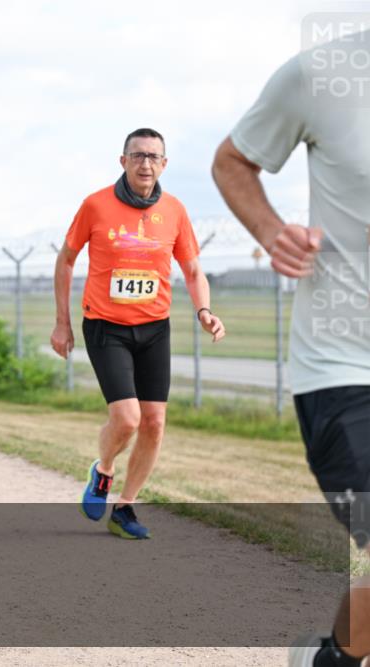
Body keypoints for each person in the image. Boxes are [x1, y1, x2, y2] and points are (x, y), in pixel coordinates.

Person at [211, 33, 369, 667]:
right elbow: (232, 160)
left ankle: (331, 659)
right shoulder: (321, 75)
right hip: (341, 365)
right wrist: (273, 233)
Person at [50, 128, 226, 540]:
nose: (145, 163)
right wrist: (62, 322)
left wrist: (204, 310)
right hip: (106, 326)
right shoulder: (96, 205)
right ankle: (104, 470)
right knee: (127, 419)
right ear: (123, 160)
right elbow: (66, 261)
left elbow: (194, 270)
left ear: (164, 164)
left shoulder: (176, 211)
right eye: (137, 155)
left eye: (153, 156)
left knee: (154, 423)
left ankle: (125, 508)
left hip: (154, 329)